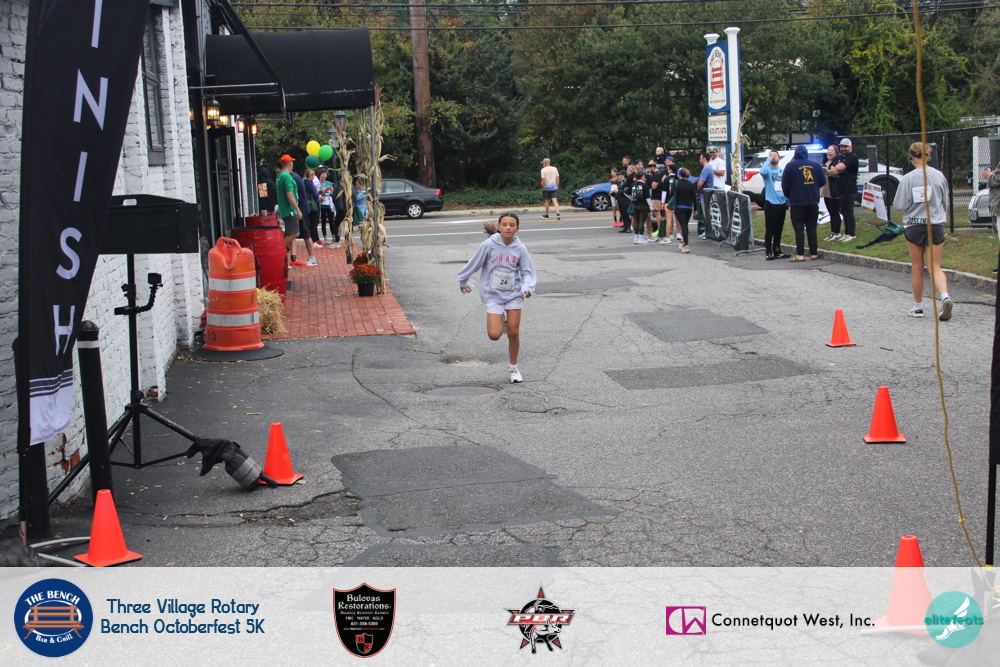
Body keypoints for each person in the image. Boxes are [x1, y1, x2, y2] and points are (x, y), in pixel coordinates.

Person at [457, 212, 537, 384]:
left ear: (517, 228)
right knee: (494, 335)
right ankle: (504, 319)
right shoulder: (489, 245)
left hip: (514, 294)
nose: (508, 228)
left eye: (512, 225)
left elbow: (527, 272)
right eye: (505, 224)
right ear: (499, 227)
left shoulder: (520, 248)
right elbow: (474, 263)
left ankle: (513, 368)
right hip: (493, 295)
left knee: (513, 332)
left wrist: (527, 288)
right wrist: (463, 280)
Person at [894, 142, 952, 320]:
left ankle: (918, 306)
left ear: (911, 157)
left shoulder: (908, 178)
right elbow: (945, 201)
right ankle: (945, 296)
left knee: (917, 267)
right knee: (935, 266)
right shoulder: (938, 175)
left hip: (915, 224)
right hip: (935, 223)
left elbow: (899, 205)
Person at [781, 144, 826, 262]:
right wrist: (813, 188)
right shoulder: (816, 165)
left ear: (795, 153)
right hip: (812, 201)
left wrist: (790, 196)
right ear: (806, 153)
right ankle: (814, 253)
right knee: (812, 228)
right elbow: (823, 181)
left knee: (799, 228)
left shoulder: (790, 166)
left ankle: (800, 254)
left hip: (797, 202)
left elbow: (785, 185)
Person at [275, 155, 305, 267]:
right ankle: (279, 250)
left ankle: (290, 257)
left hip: (284, 209)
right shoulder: (287, 177)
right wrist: (298, 210)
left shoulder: (279, 176)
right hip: (290, 210)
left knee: (290, 233)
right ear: (290, 164)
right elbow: (290, 195)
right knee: (295, 233)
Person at [759, 150, 789, 260]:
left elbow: (785, 186)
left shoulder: (782, 171)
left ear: (779, 158)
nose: (774, 157)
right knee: (770, 228)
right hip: (771, 203)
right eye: (772, 155)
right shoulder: (767, 170)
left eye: (775, 155)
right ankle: (768, 251)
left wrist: (787, 200)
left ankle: (777, 250)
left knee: (779, 229)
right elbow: (762, 171)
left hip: (781, 203)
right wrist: (768, 159)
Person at [832, 137, 859, 242]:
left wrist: (839, 168)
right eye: (842, 147)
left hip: (849, 188)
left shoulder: (852, 157)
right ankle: (846, 232)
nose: (843, 148)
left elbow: (838, 168)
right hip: (841, 188)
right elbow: (833, 169)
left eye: (845, 146)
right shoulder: (840, 157)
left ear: (850, 147)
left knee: (849, 211)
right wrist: (838, 168)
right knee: (843, 211)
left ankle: (852, 233)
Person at [289, 166, 316, 266]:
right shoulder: (295, 177)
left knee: (306, 234)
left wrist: (298, 210)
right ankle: (294, 257)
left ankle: (312, 257)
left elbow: (293, 195)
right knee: (294, 233)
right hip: (300, 208)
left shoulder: (293, 178)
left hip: (301, 209)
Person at [821, 145, 842, 241]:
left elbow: (836, 173)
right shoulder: (826, 162)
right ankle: (832, 232)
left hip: (833, 191)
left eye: (831, 150)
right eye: (828, 150)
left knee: (835, 212)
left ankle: (837, 232)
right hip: (826, 191)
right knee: (830, 212)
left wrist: (827, 171)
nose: (829, 152)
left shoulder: (837, 162)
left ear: (836, 152)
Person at [673, 167, 696, 253]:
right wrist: (695, 208)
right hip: (688, 207)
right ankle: (684, 242)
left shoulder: (676, 183)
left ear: (679, 174)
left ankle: (686, 244)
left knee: (683, 225)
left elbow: (672, 194)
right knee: (685, 224)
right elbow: (694, 197)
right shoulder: (690, 184)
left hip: (679, 206)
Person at [316, 168, 340, 248]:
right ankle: (325, 238)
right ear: (320, 175)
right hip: (322, 204)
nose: (324, 176)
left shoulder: (329, 183)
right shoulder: (318, 183)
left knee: (331, 221)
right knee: (323, 221)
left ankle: (333, 236)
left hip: (329, 204)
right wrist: (326, 189)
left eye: (325, 174)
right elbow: (320, 194)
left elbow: (333, 192)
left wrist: (332, 189)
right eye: (323, 174)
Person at [628, 169, 652, 244]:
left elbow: (626, 192)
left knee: (637, 221)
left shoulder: (633, 185)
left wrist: (632, 198)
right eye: (643, 176)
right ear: (641, 177)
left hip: (635, 204)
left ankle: (636, 237)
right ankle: (640, 238)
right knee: (642, 221)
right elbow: (647, 197)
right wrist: (651, 206)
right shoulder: (644, 185)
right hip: (643, 205)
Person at [695, 152, 716, 239]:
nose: (699, 160)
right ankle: (708, 231)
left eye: (700, 158)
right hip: (708, 193)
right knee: (707, 213)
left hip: (705, 194)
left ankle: (708, 232)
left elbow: (700, 183)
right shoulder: (709, 168)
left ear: (704, 158)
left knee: (706, 213)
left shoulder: (706, 169)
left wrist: (697, 191)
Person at [303, 168, 322, 250]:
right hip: (313, 206)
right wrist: (320, 191)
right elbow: (315, 195)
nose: (314, 176)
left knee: (309, 224)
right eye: (313, 175)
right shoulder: (310, 184)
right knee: (314, 224)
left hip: (306, 205)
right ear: (310, 175)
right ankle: (313, 241)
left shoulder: (304, 183)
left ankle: (310, 241)